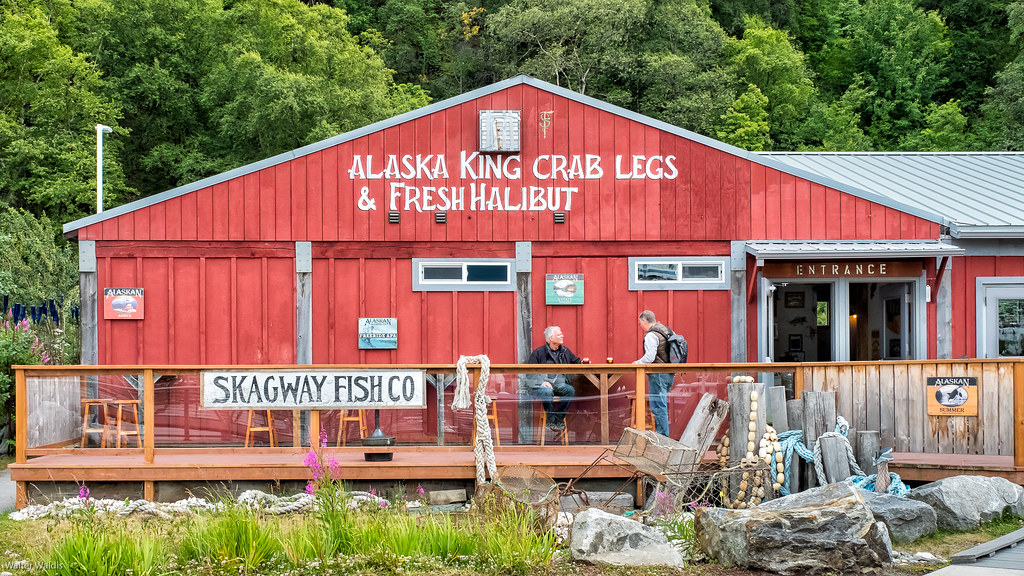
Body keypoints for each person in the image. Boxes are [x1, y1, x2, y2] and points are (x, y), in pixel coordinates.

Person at [526, 326, 589, 430]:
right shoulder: (538, 353)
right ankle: (550, 421)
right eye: (559, 335)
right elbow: (529, 373)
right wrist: (541, 382)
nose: (562, 336)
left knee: (570, 390)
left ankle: (558, 419)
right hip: (542, 386)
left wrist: (584, 363)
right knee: (546, 391)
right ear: (551, 338)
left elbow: (576, 362)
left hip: (559, 384)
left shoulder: (565, 351)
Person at [633, 310, 674, 437]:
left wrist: (636, 363)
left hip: (658, 374)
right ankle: (662, 437)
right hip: (669, 373)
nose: (640, 326)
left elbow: (650, 357)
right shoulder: (667, 331)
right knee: (662, 406)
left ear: (644, 321)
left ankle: (662, 439)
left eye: (640, 323)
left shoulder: (651, 335)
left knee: (658, 407)